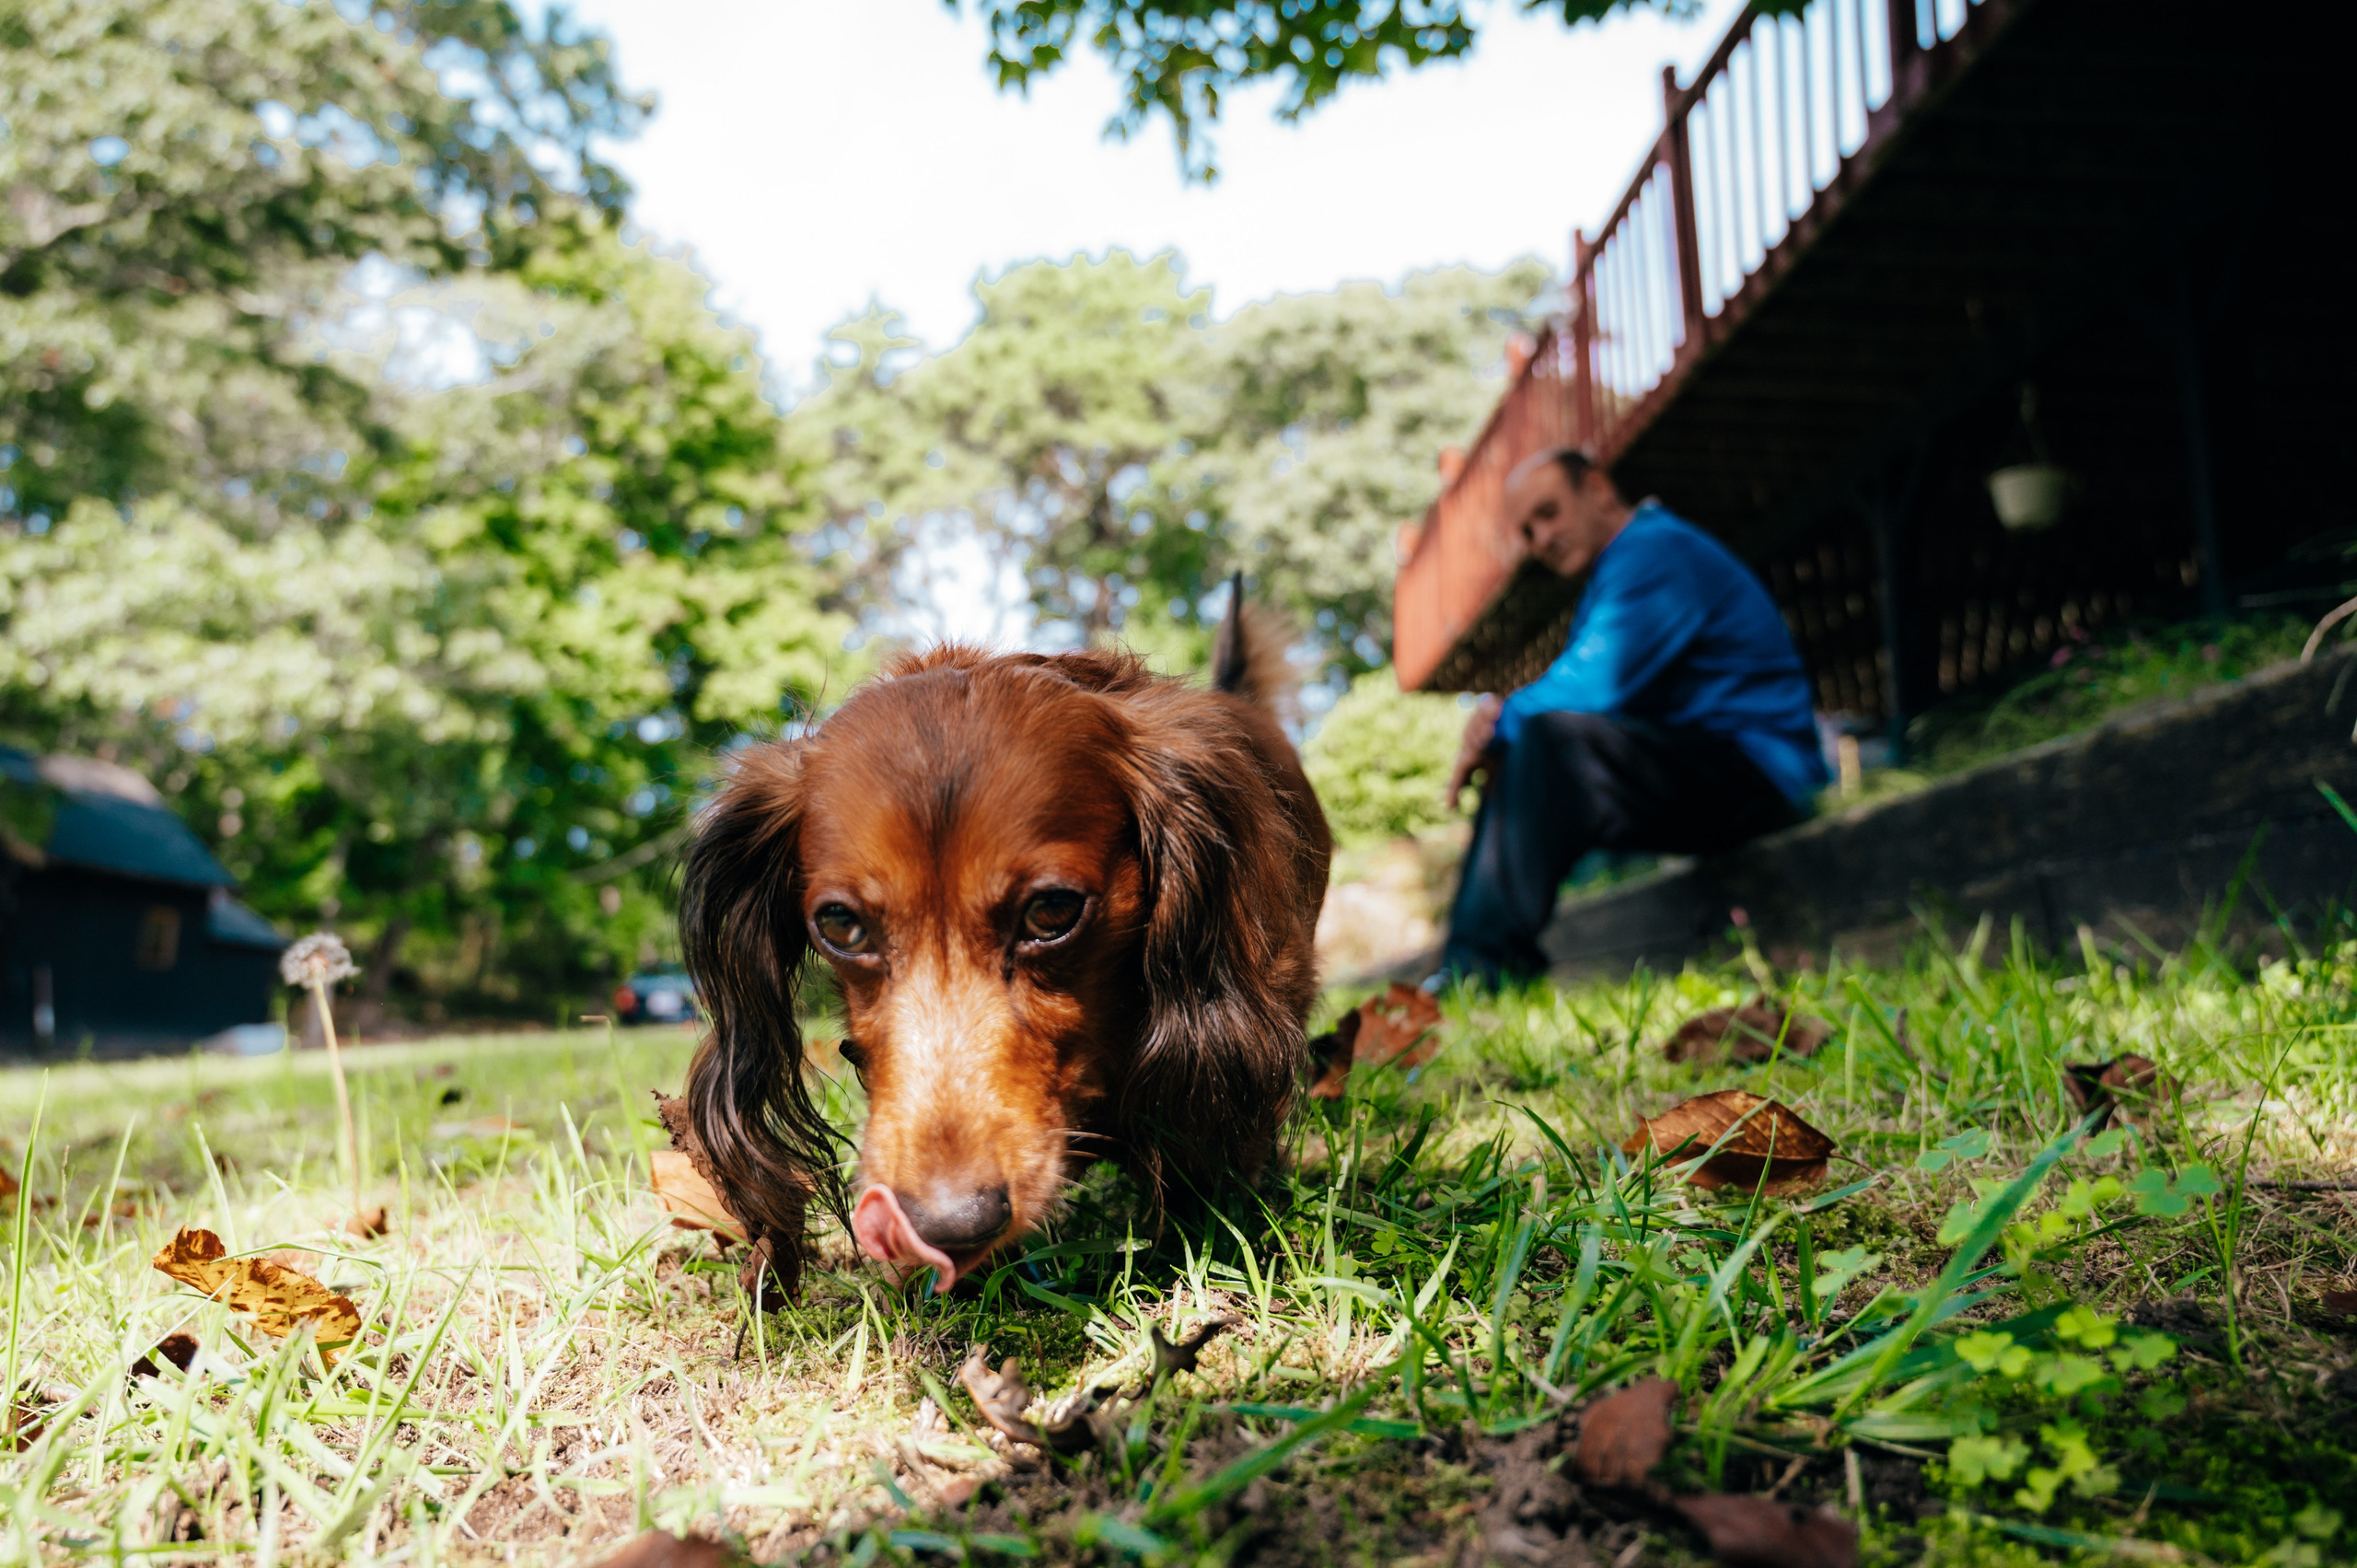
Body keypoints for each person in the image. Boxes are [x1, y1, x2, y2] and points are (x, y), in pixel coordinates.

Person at [1434, 447, 1827, 988]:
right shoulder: (1618, 570)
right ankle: (1467, 965)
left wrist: (1495, 727)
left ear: (1598, 489)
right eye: (1526, 531)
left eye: (1548, 513)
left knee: (1550, 741)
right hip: (1709, 773)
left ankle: (1480, 970)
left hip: (1764, 775)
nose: (1540, 539)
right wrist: (1505, 733)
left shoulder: (1656, 549)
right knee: (1534, 748)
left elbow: (1590, 687)